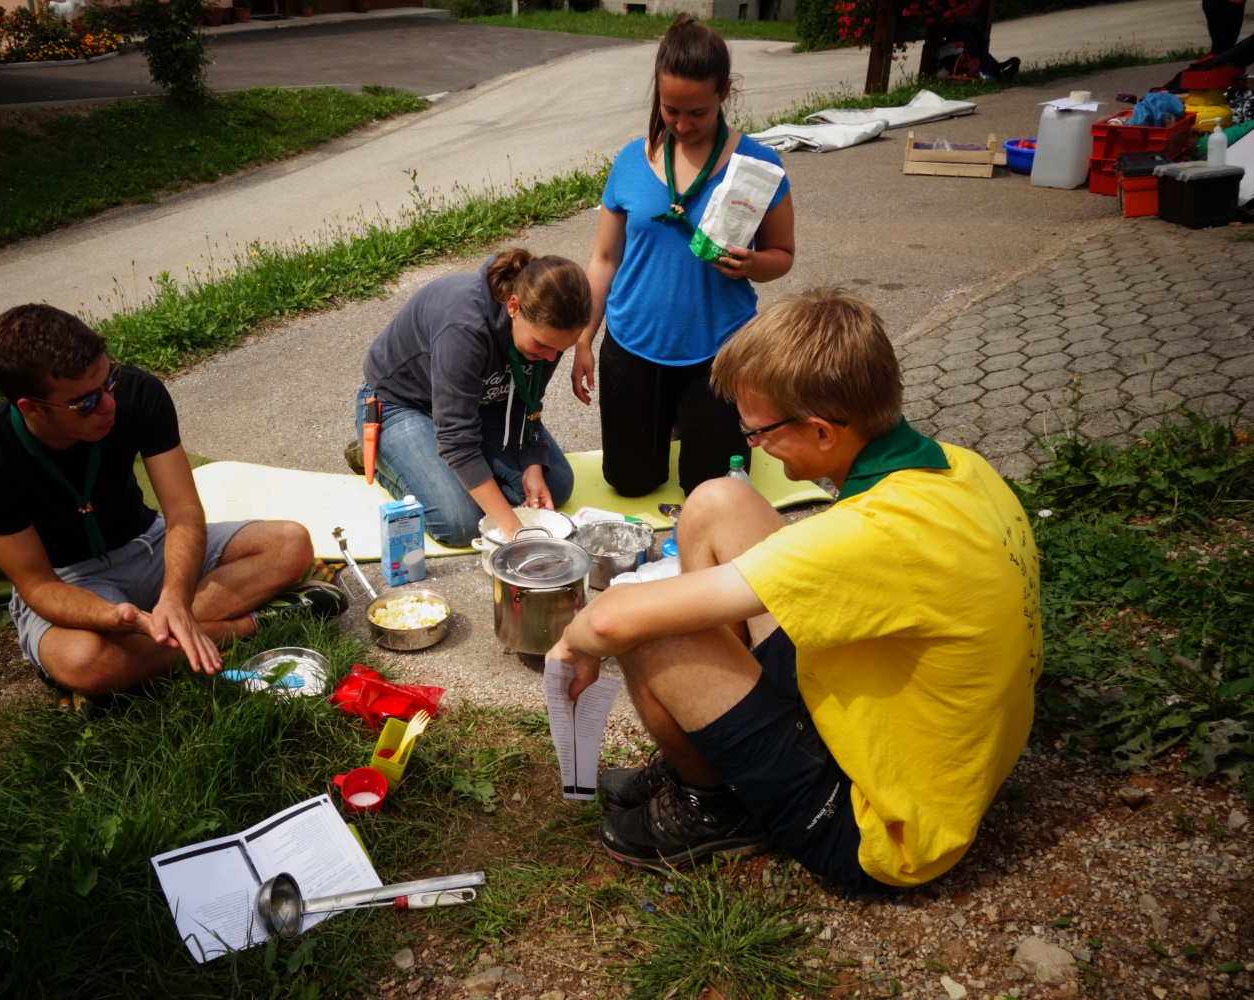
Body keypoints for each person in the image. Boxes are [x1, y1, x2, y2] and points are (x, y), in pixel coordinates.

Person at [549, 289, 1040, 891]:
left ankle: (717, 806)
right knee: (716, 501)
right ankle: (714, 764)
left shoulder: (874, 536)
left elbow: (610, 622)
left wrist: (572, 643)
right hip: (909, 731)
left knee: (651, 630)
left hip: (885, 827)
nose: (753, 446)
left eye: (759, 433)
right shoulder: (960, 469)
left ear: (822, 432)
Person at [0, 304, 337, 705]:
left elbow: (184, 513)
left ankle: (150, 647)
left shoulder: (138, 391)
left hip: (150, 544)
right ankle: (245, 626)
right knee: (85, 661)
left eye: (109, 381)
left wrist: (174, 594)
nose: (108, 405)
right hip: (72, 580)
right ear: (31, 408)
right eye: (84, 403)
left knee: (290, 543)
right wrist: (113, 617)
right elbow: (38, 585)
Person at [571, 13, 796, 500]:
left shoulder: (757, 167)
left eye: (698, 112)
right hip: (634, 343)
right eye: (671, 109)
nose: (682, 123)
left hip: (719, 351)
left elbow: (783, 255)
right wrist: (585, 337)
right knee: (630, 483)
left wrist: (751, 264)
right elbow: (605, 257)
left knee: (714, 490)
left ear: (725, 92)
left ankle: (690, 422)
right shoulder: (631, 159)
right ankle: (671, 425)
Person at [355, 249, 590, 548]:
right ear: (514, 307)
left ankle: (453, 472)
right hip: (401, 403)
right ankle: (381, 459)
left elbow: (527, 401)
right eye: (543, 345)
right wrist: (514, 532)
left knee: (555, 486)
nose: (551, 357)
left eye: (561, 349)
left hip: (481, 402)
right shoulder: (464, 327)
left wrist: (531, 463)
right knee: (460, 523)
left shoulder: (548, 337)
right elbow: (456, 438)